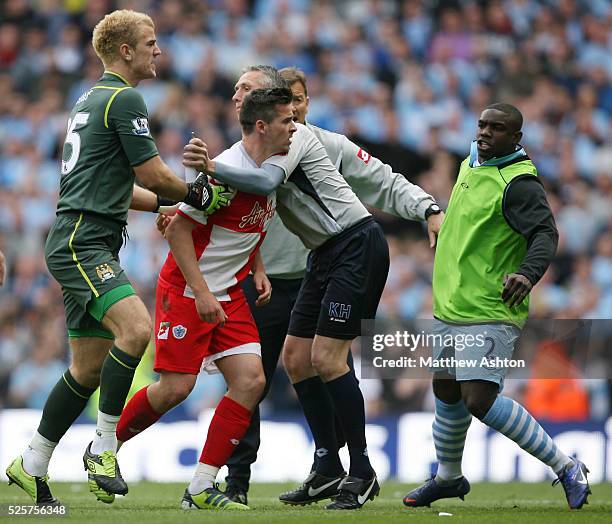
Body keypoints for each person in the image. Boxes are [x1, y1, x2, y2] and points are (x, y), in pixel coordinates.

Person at [195, 65, 442, 510]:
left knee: (327, 358)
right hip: (315, 262)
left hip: (353, 247)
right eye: (236, 91)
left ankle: (362, 471)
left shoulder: (299, 140)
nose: (237, 97)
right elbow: (232, 211)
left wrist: (427, 207)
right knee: (289, 362)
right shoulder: (247, 152)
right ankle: (323, 468)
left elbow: (377, 181)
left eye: (247, 90)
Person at [5, 9, 226, 506]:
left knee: (86, 368)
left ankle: (32, 460)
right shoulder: (126, 98)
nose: (158, 50)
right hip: (84, 239)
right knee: (137, 330)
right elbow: (152, 174)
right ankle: (103, 446)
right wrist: (199, 194)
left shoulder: (90, 98)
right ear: (125, 51)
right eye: (150, 42)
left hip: (83, 235)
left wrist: (172, 203)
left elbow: (121, 188)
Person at [114, 87, 296, 511]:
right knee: (176, 389)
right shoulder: (225, 169)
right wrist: (198, 292)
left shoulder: (273, 163)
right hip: (187, 288)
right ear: (264, 127)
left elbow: (249, 225)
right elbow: (177, 229)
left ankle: (201, 485)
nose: (294, 127)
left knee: (251, 381)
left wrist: (258, 267)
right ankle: (106, 443)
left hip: (228, 291)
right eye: (287, 121)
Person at [402, 104, 591, 510]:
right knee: (447, 389)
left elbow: (545, 233)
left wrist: (527, 273)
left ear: (516, 138)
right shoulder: (473, 159)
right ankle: (449, 477)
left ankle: (566, 466)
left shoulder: (519, 183)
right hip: (451, 303)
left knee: (479, 398)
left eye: (497, 128)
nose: (485, 132)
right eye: (483, 125)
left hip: (490, 306)